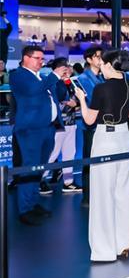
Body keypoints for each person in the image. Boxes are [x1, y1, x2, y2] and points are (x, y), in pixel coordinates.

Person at [74, 50, 129, 262]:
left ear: (109, 65)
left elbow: (89, 120)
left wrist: (81, 100)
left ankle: (104, 250)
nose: (100, 67)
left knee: (103, 195)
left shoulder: (101, 88)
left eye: (102, 64)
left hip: (105, 140)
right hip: (125, 139)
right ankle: (124, 243)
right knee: (123, 193)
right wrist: (124, 111)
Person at [10, 47, 68, 225]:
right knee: (30, 169)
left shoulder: (41, 77)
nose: (41, 62)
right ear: (26, 58)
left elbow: (58, 95)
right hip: (30, 131)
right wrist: (54, 76)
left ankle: (32, 202)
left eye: (42, 59)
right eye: (37, 58)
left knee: (39, 169)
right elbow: (33, 90)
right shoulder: (18, 75)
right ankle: (24, 209)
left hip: (47, 129)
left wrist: (61, 80)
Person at [42, 61, 81, 194]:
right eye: (66, 67)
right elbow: (55, 98)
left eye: (69, 67)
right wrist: (68, 102)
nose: (69, 69)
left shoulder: (72, 82)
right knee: (52, 153)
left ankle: (68, 181)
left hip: (71, 122)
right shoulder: (53, 82)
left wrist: (76, 103)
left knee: (70, 153)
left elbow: (79, 99)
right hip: (58, 124)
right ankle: (41, 179)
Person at [77, 46, 105, 206]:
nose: (101, 60)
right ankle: (87, 196)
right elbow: (95, 97)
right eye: (98, 57)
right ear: (89, 59)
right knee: (89, 162)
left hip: (103, 124)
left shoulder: (102, 78)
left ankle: (99, 194)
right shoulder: (83, 78)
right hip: (91, 125)